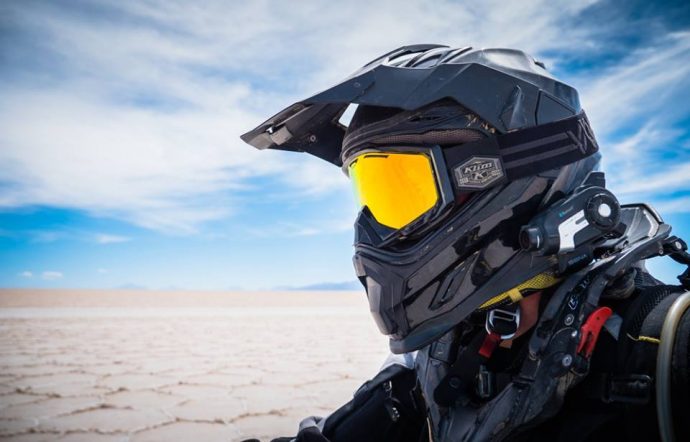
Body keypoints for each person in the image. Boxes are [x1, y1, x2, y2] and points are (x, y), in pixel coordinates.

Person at [241, 45, 690, 442]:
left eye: (405, 192)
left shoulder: (667, 349)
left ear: (513, 180)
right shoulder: (444, 349)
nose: (373, 231)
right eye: (375, 194)